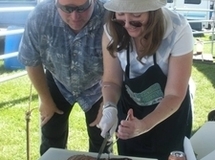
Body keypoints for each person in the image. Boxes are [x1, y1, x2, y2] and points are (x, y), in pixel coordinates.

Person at [97, 0, 194, 159]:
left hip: (169, 114)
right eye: (120, 14)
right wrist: (109, 106)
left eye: (136, 15)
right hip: (131, 111)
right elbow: (112, 81)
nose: (127, 24)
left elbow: (174, 94)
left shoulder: (178, 29)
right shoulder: (112, 29)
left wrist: (144, 125)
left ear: (153, 12)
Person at [18, 0, 111, 156]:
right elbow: (31, 61)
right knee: (51, 137)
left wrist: (108, 104)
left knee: (102, 138)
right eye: (67, 9)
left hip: (100, 86)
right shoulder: (39, 16)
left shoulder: (110, 16)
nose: (75, 17)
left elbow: (121, 63)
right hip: (57, 81)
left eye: (82, 8)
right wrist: (46, 100)